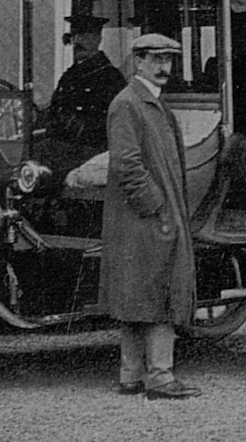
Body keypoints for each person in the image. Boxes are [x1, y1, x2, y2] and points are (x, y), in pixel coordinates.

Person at [99, 33, 201, 400]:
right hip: (145, 219)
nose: (163, 68)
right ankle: (159, 377)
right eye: (155, 60)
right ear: (137, 62)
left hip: (144, 219)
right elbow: (127, 164)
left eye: (168, 61)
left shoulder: (149, 103)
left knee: (137, 295)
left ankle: (131, 375)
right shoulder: (129, 104)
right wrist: (157, 206)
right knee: (158, 291)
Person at [35, 14, 127, 176]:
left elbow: (115, 123)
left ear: (98, 39)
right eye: (75, 35)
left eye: (85, 35)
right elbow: (55, 109)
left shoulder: (110, 78)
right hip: (65, 147)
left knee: (42, 153)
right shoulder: (70, 75)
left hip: (93, 151)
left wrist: (74, 128)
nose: (77, 41)